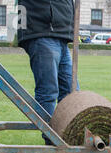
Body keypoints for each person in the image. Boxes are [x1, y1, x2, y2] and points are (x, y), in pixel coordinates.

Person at [17, 0, 77, 145]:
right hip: (41, 31)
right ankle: (52, 142)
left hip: (60, 35)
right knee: (48, 91)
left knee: (71, 92)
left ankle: (69, 137)